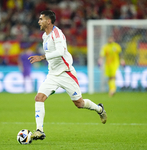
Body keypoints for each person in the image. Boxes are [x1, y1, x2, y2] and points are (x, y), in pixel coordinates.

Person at [28, 10, 107, 140]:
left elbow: (60, 51)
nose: (38, 21)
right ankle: (39, 130)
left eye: (41, 19)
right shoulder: (44, 36)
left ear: (48, 21)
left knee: (79, 104)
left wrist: (42, 57)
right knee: (39, 98)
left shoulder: (57, 34)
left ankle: (99, 109)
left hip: (66, 73)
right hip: (52, 75)